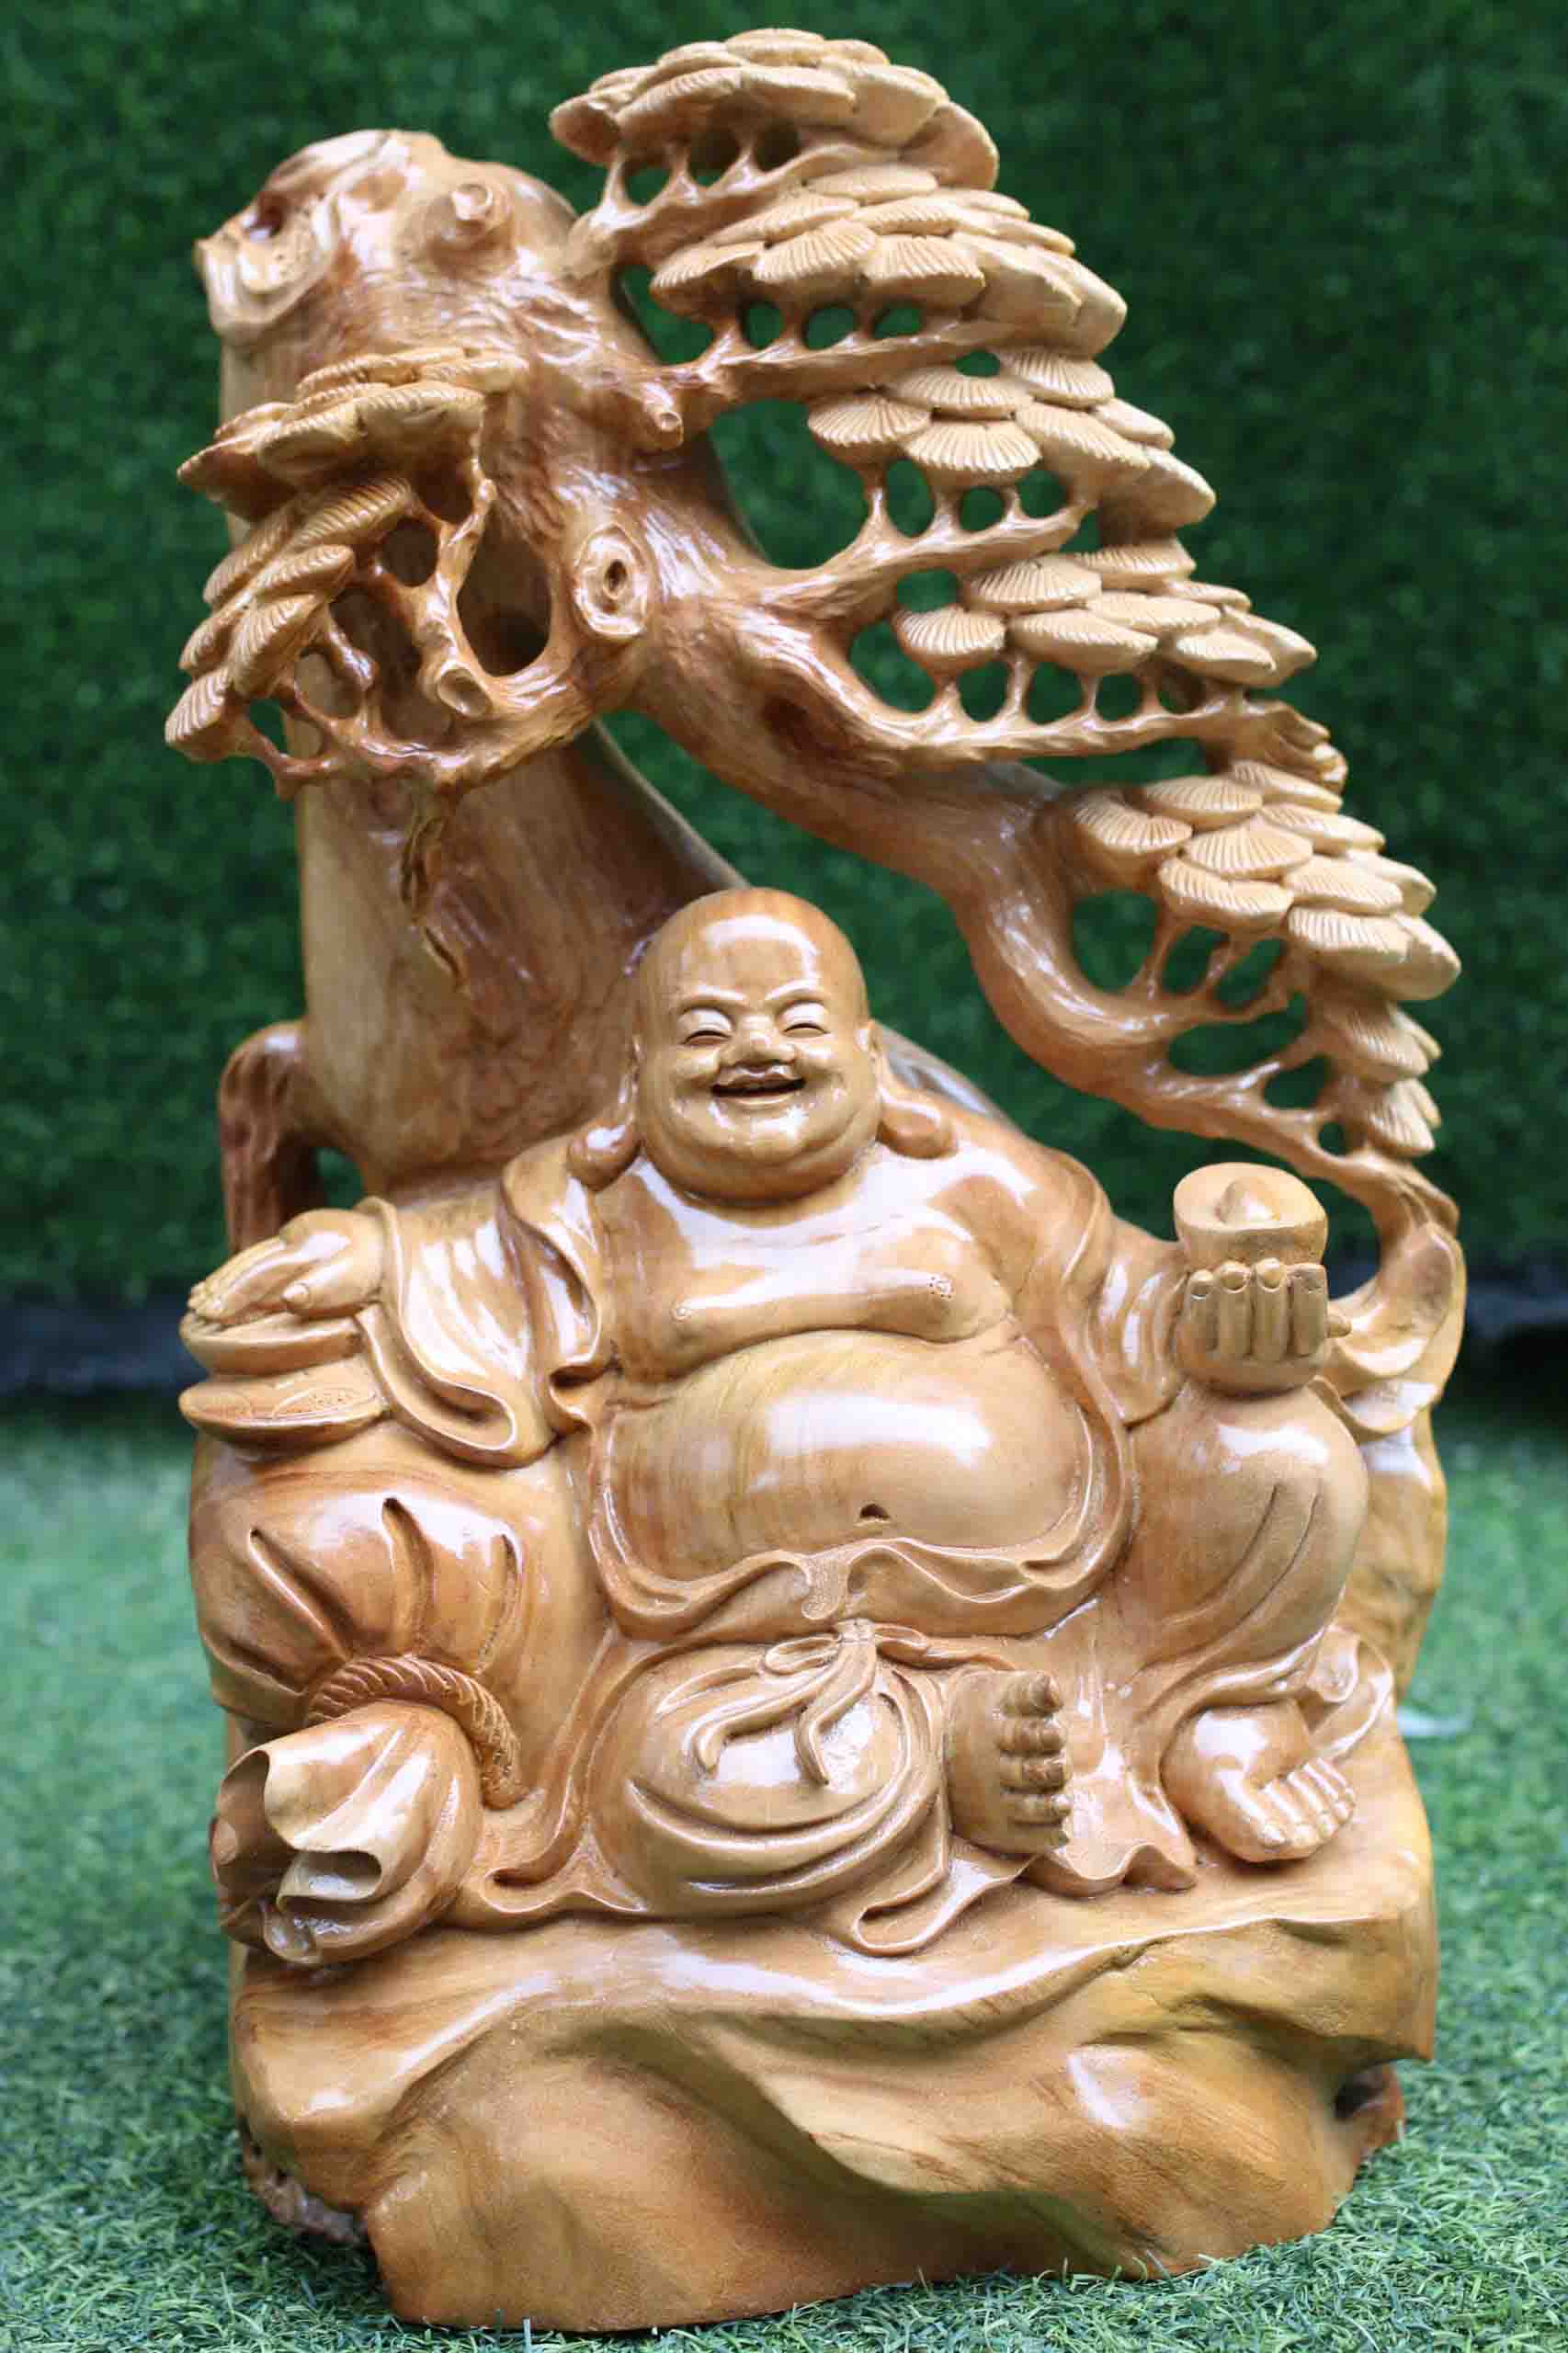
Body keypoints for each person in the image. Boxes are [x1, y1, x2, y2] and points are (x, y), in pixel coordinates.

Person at [184, 889, 1375, 1966]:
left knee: (1277, 1449)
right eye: (705, 1031)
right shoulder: (589, 1212)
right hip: (738, 1654)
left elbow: (1129, 1296)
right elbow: (453, 1260)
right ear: (635, 1074)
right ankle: (949, 1758)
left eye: (798, 1021)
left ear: (870, 1055)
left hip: (1060, 1587)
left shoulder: (972, 1183)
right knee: (677, 1798)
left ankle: (1204, 1717)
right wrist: (359, 1252)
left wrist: (1230, 1305)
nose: (755, 1049)